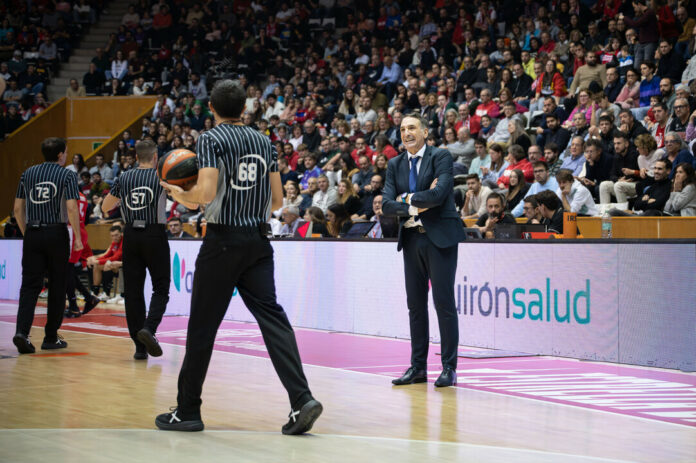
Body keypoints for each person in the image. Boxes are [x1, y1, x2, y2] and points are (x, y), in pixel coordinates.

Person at [156, 80, 321, 434]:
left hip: (223, 242)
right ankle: (301, 399)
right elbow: (277, 202)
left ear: (211, 109)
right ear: (244, 108)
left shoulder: (211, 139)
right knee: (273, 320)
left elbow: (206, 193)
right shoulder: (266, 142)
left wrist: (176, 192)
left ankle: (187, 411)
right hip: (259, 243)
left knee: (202, 327)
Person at [382, 112, 465, 388]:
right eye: (403, 129)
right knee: (415, 306)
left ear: (425, 132)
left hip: (439, 237)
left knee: (443, 303)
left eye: (413, 128)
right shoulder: (394, 164)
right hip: (411, 239)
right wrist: (416, 201)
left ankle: (449, 368)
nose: (407, 133)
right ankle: (418, 367)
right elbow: (385, 204)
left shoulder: (440, 157)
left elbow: (440, 195)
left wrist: (404, 199)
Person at [100, 140, 171, 360]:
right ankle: (149, 329)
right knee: (160, 287)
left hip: (130, 235)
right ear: (155, 156)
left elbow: (105, 208)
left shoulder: (124, 177)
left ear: (137, 156)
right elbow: (187, 202)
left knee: (133, 292)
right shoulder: (161, 176)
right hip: (154, 234)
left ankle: (139, 348)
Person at [12, 137, 83, 354]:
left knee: (29, 286)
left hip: (32, 231)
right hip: (56, 233)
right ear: (61, 154)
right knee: (57, 285)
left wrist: (28, 234)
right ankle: (50, 336)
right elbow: (72, 208)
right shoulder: (67, 175)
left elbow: (17, 209)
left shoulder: (28, 173)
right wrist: (78, 238)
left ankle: (22, 333)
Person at [86, 225, 123, 300]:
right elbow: (107, 255)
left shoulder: (124, 242)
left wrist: (98, 261)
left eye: (116, 235)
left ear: (121, 234)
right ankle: (95, 292)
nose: (114, 237)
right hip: (115, 265)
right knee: (97, 265)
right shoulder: (114, 242)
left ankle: (107, 293)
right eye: (112, 236)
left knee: (107, 265)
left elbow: (116, 257)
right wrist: (95, 261)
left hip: (123, 265)